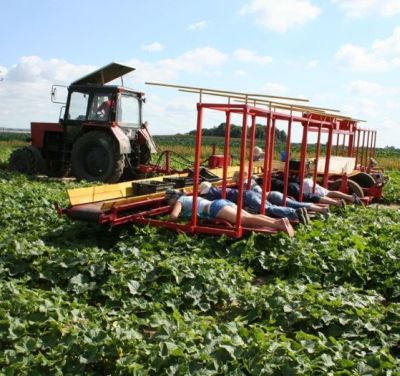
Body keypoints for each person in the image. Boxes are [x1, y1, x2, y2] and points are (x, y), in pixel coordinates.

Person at [164, 189, 295, 237]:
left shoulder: (180, 200)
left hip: (215, 207)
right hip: (221, 202)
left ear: (172, 199)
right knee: (249, 216)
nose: (170, 205)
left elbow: (174, 216)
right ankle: (277, 221)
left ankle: (278, 224)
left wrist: (170, 225)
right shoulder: (190, 197)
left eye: (169, 202)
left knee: (243, 220)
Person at [199, 181, 312, 225]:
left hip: (247, 197)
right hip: (250, 194)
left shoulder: (209, 194)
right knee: (271, 207)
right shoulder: (217, 189)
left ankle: (295, 213)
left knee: (269, 209)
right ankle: (296, 213)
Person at [231, 171, 330, 216]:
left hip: (271, 197)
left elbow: (258, 194)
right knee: (295, 204)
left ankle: (297, 214)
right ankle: (321, 209)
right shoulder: (252, 181)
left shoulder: (246, 186)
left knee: (276, 209)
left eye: (235, 181)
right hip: (274, 194)